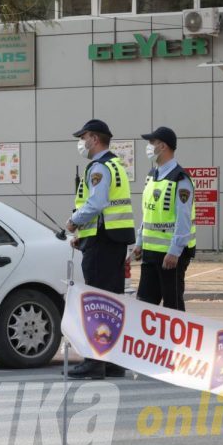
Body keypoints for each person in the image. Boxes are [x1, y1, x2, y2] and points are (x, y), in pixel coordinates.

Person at [64, 119, 135, 379]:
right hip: (113, 240)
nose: (81, 143)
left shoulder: (99, 167)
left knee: (96, 303)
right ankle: (113, 361)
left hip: (102, 244)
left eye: (83, 138)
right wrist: (82, 234)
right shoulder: (116, 164)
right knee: (112, 302)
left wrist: (73, 223)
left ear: (94, 139)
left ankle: (94, 362)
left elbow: (96, 203)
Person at [132, 126, 196, 311]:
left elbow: (183, 219)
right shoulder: (152, 176)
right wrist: (140, 241)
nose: (149, 147)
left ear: (164, 146)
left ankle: (178, 341)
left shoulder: (180, 179)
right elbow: (147, 213)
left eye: (152, 143)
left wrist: (175, 251)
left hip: (170, 255)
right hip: (150, 252)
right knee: (144, 305)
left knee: (172, 306)